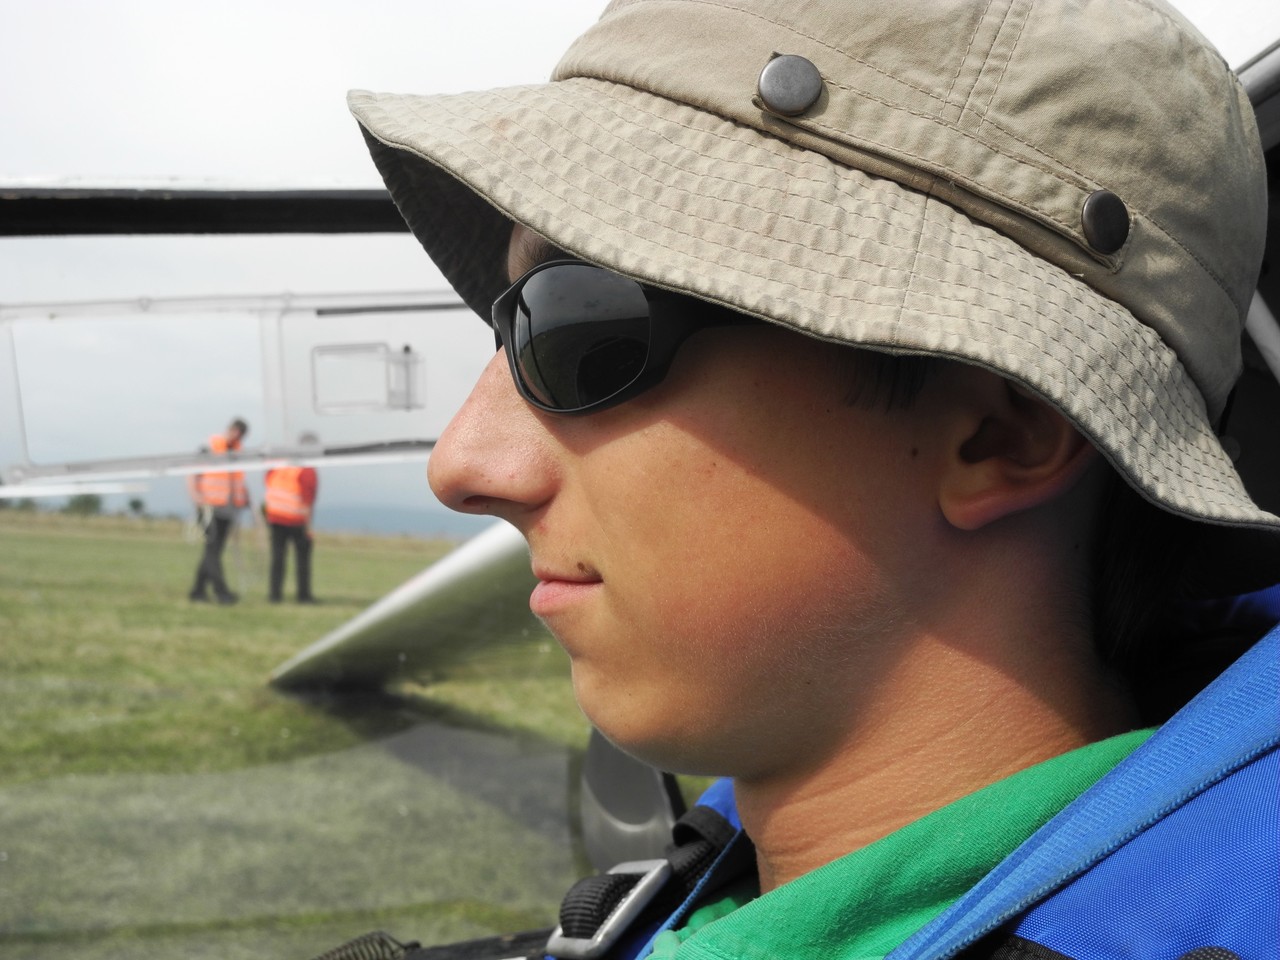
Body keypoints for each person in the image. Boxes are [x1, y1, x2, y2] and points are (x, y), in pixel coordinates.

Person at [347, 1, 1278, 958]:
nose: (463, 466)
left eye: (580, 331)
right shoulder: (675, 908)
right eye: (509, 330)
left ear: (1001, 433)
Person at [187, 417, 249, 605]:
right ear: (230, 429)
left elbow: (237, 480)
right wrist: (195, 496)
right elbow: (192, 472)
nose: (236, 435)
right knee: (213, 550)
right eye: (235, 431)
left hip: (228, 509)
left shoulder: (237, 452)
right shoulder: (210, 447)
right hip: (209, 507)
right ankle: (221, 592)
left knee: (213, 550)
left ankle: (197, 591)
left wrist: (244, 498)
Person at [263, 459, 318, 604]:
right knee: (302, 559)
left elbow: (268, 484)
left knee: (277, 558)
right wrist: (308, 527)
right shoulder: (306, 470)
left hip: (275, 517)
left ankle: (275, 595)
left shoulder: (277, 467)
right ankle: (303, 596)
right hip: (296, 519)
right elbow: (307, 500)